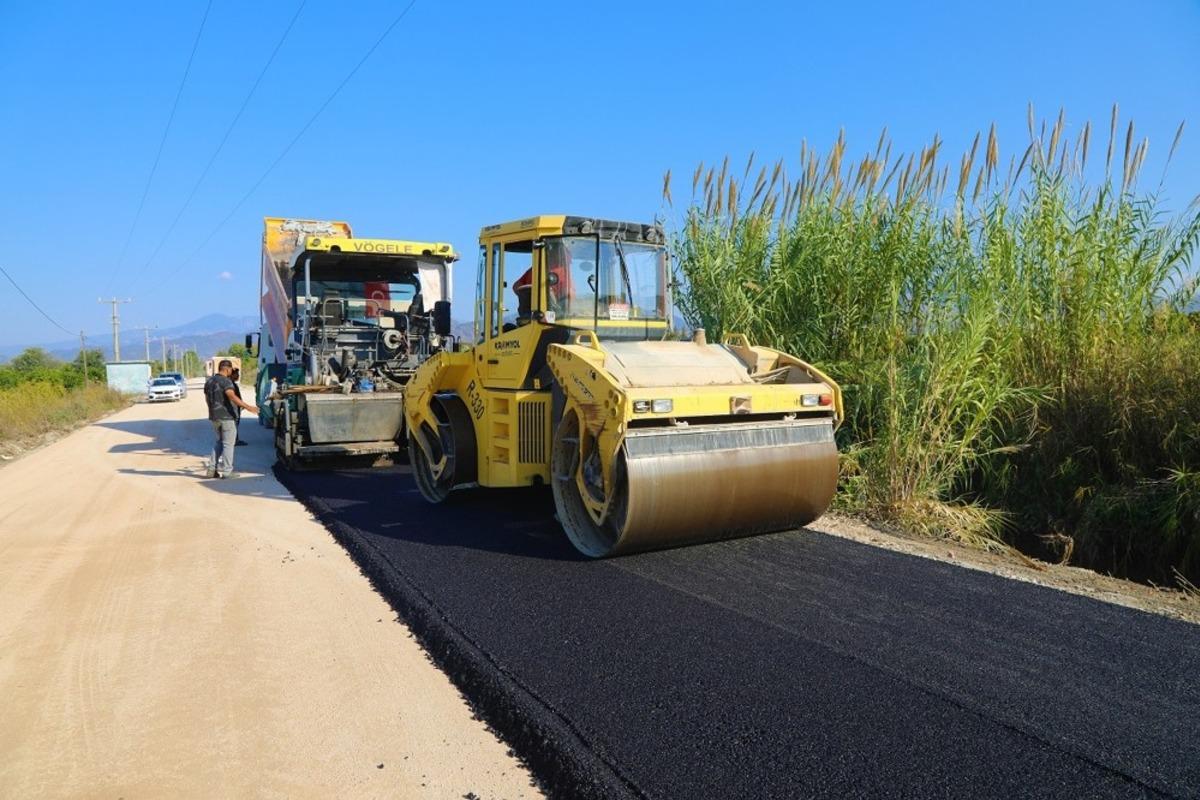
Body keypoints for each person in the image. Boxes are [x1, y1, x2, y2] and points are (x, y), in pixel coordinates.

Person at [204, 359, 258, 479]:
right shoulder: (226, 381)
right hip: (227, 417)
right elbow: (231, 396)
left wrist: (212, 411)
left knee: (219, 442)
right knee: (228, 444)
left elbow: (207, 399)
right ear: (227, 369)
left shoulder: (209, 381)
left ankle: (211, 469)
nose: (230, 372)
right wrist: (249, 407)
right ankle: (227, 471)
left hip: (214, 417)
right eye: (230, 370)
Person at [230, 367, 248, 446]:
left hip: (236, 407)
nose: (238, 376)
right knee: (234, 424)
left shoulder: (233, 384)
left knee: (235, 424)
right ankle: (234, 440)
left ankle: (235, 439)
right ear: (231, 375)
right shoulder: (230, 385)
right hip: (233, 408)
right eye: (236, 374)